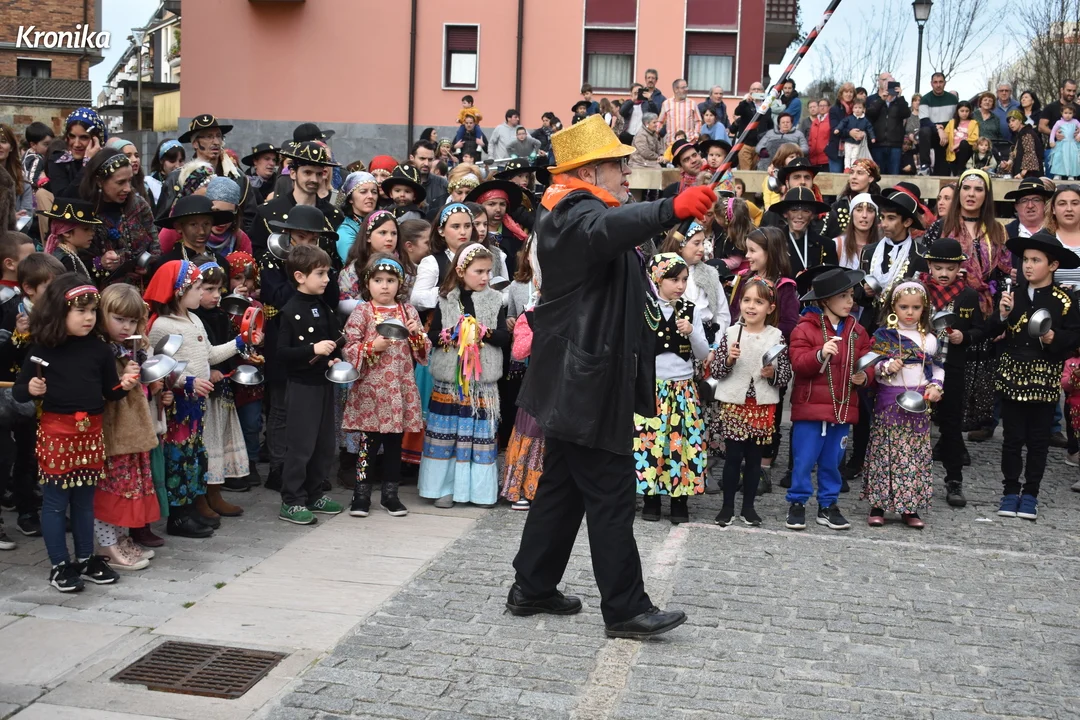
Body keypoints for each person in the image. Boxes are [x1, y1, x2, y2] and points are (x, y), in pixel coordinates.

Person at [509, 115, 713, 638]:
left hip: (581, 377)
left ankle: (532, 587)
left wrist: (666, 213)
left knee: (562, 490)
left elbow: (614, 234)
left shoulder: (571, 208)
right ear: (588, 171)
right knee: (612, 493)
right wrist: (670, 207)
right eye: (617, 164)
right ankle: (625, 608)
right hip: (587, 382)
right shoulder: (575, 212)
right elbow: (605, 232)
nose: (626, 172)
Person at [12, 275, 132, 591]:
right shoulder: (42, 349)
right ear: (59, 311)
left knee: (84, 501)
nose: (89, 317)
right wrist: (32, 388)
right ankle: (59, 565)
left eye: (92, 311)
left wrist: (126, 384)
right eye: (81, 311)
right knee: (54, 502)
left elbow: (111, 393)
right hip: (57, 434)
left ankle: (85, 559)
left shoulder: (100, 350)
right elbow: (20, 392)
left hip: (91, 434)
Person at [991, 232, 1080, 521]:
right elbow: (993, 330)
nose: (1028, 266)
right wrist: (1002, 316)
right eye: (1026, 260)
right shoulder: (1012, 295)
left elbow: (1075, 335)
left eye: (1036, 260)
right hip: (1012, 375)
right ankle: (1009, 490)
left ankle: (1030, 494)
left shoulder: (1064, 300)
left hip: (1044, 378)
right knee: (1012, 438)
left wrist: (1055, 338)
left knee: (1039, 439)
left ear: (1053, 265)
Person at [418, 243, 508, 508]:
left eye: (488, 271)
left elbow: (504, 337)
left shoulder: (495, 300)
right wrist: (450, 334)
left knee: (478, 437)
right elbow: (433, 336)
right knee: (446, 435)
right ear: (461, 271)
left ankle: (478, 492)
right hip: (450, 380)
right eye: (479, 271)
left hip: (482, 382)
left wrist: (483, 332)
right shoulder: (445, 299)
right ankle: (444, 489)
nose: (485, 277)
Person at [258, 205, 340, 492]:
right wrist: (301, 274)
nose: (307, 242)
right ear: (288, 234)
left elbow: (331, 296)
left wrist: (320, 272)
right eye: (301, 236)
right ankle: (279, 467)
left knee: (316, 414)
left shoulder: (322, 262)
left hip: (317, 333)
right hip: (283, 332)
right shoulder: (272, 259)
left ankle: (313, 473)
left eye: (313, 238)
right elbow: (277, 296)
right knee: (281, 406)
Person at [342, 253, 429, 517]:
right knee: (368, 444)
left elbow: (423, 350)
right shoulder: (363, 312)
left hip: (399, 389)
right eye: (378, 280)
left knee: (394, 444)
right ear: (368, 283)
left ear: (399, 284)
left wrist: (416, 334)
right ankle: (361, 495)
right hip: (371, 390)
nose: (384, 286)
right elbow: (349, 347)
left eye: (390, 280)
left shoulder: (407, 311)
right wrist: (371, 347)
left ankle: (390, 495)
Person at [786, 266, 872, 531]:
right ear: (825, 301)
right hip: (810, 409)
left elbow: (867, 359)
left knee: (833, 461)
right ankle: (797, 502)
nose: (850, 301)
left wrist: (865, 376)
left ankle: (828, 505)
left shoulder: (857, 331)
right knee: (803, 460)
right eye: (843, 296)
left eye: (851, 295)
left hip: (842, 407)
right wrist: (820, 354)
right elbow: (798, 362)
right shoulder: (805, 328)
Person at [633, 253, 710, 523]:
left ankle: (680, 500)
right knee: (651, 444)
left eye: (684, 280)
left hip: (682, 389)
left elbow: (702, 353)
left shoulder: (690, 310)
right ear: (657, 279)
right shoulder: (645, 308)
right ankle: (651, 498)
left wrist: (692, 332)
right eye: (673, 279)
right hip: (652, 389)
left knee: (681, 445)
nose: (680, 285)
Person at [273, 244, 345, 525]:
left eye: (327, 273)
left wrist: (334, 359)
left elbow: (334, 340)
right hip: (302, 386)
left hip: (323, 383)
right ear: (300, 277)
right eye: (320, 273)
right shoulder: (289, 311)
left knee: (324, 444)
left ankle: (315, 493)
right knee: (300, 445)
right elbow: (281, 353)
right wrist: (312, 350)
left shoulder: (322, 305)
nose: (327, 279)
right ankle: (291, 500)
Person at [711, 275, 791, 527]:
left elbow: (785, 374)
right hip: (735, 404)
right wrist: (729, 359)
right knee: (733, 457)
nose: (751, 306)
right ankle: (727, 506)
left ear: (770, 308)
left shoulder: (776, 336)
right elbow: (717, 371)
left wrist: (772, 373)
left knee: (755, 459)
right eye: (746, 300)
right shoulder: (731, 333)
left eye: (758, 302)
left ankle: (748, 507)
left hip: (761, 407)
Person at [864, 280, 942, 529]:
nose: (909, 312)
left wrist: (936, 386)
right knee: (884, 453)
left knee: (913, 456)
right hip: (889, 403)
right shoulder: (883, 336)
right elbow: (872, 367)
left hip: (919, 403)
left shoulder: (929, 339)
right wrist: (887, 366)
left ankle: (910, 507)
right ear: (893, 308)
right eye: (904, 307)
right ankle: (878, 505)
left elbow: (937, 368)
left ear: (924, 309)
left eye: (916, 307)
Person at [95, 283, 161, 570]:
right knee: (111, 490)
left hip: (131, 429)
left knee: (129, 488)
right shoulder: (101, 350)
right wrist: (123, 379)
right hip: (113, 429)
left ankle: (121, 539)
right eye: (119, 318)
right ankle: (106, 544)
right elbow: (103, 390)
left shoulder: (128, 349)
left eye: (132, 320)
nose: (126, 326)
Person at [919, 238, 983, 507]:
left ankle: (954, 480)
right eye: (938, 268)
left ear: (960, 268)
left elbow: (979, 329)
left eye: (950, 268)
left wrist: (964, 337)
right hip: (919, 368)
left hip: (951, 369)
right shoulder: (919, 291)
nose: (944, 273)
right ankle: (912, 477)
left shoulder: (968, 295)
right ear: (929, 266)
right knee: (916, 423)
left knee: (951, 426)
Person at [190, 259, 249, 505]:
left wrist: (244, 353)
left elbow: (226, 346)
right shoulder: (193, 319)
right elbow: (200, 353)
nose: (216, 295)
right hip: (203, 392)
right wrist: (211, 369)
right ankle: (202, 497)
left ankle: (216, 493)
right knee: (208, 442)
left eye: (219, 289)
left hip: (222, 389)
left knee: (221, 439)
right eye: (208, 289)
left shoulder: (221, 316)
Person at [156, 114, 257, 230]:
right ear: (195, 143)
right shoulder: (177, 178)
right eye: (209, 137)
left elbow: (250, 219)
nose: (216, 142)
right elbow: (163, 222)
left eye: (219, 136)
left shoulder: (237, 177)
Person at [247, 141, 343, 261]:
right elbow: (255, 254)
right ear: (293, 173)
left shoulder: (334, 215)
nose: (314, 179)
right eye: (307, 172)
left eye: (319, 174)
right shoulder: (267, 212)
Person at [78, 149, 159, 287]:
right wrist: (100, 263)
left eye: (129, 181)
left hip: (141, 290)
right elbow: (77, 261)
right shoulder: (85, 214)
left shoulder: (139, 206)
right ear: (100, 182)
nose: (128, 188)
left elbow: (156, 247)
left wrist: (147, 267)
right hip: (102, 293)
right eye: (121, 182)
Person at [769, 186, 837, 275]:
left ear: (812, 215)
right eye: (794, 210)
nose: (799, 216)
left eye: (806, 211)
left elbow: (832, 278)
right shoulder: (774, 244)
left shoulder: (827, 245)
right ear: (785, 213)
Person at [45, 107, 107, 199]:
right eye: (72, 136)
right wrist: (87, 164)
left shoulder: (106, 161)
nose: (76, 144)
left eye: (84, 137)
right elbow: (65, 199)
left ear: (96, 139)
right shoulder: (58, 161)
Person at [42, 197, 101, 282]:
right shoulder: (67, 260)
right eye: (86, 229)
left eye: (92, 229)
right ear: (66, 232)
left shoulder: (68, 255)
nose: (92, 233)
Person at [865, 71, 910, 175]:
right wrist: (881, 100)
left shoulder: (899, 101)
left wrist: (899, 97)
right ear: (879, 82)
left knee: (894, 175)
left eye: (890, 81)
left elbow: (906, 113)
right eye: (884, 80)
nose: (887, 83)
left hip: (895, 145)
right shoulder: (872, 99)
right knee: (877, 175)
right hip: (877, 144)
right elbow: (870, 114)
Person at [916, 73, 958, 176]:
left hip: (946, 136)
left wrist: (945, 131)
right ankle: (925, 165)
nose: (938, 85)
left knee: (942, 172)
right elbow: (924, 120)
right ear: (931, 84)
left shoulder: (953, 99)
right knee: (924, 131)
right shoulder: (925, 99)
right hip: (931, 135)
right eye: (935, 82)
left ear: (945, 83)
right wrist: (938, 129)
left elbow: (956, 119)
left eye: (940, 82)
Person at [335, 172, 381, 261]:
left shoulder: (382, 221)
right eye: (363, 192)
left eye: (374, 192)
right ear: (350, 199)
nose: (370, 196)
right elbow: (354, 263)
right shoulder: (346, 230)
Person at [732, 82, 774, 170]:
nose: (756, 91)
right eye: (754, 89)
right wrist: (745, 101)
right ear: (750, 91)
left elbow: (769, 125)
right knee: (745, 171)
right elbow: (737, 112)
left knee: (756, 170)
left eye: (759, 89)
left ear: (763, 92)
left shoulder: (767, 107)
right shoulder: (746, 104)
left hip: (760, 144)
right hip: (745, 143)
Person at [1001, 111, 1044, 179]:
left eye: (1013, 120)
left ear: (1020, 120)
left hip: (1030, 176)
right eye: (1009, 122)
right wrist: (1008, 163)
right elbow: (1016, 153)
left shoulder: (1027, 134)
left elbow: (1030, 154)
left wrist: (1022, 174)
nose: (1011, 124)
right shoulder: (1020, 134)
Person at [658, 78, 702, 144]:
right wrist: (657, 133)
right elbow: (660, 122)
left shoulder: (692, 103)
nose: (686, 89)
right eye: (683, 88)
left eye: (686, 87)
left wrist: (695, 136)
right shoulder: (666, 103)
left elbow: (698, 121)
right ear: (676, 89)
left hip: (688, 142)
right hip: (671, 143)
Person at [834, 99, 875, 170]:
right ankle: (847, 168)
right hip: (848, 141)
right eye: (855, 108)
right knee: (847, 155)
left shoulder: (865, 120)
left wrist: (872, 137)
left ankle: (853, 168)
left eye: (860, 108)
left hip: (857, 142)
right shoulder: (849, 118)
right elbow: (842, 123)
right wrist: (838, 129)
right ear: (852, 109)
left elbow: (870, 129)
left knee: (855, 156)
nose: (857, 110)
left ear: (863, 109)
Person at [826, 83, 856, 173]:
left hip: (854, 149)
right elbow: (835, 129)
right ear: (841, 94)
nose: (848, 94)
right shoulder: (834, 109)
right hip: (837, 150)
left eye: (851, 92)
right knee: (836, 178)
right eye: (846, 92)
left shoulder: (857, 108)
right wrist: (849, 133)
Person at [943, 102, 979, 176]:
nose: (964, 113)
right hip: (953, 152)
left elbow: (975, 137)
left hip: (967, 151)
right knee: (956, 175)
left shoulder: (973, 123)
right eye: (962, 111)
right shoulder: (952, 122)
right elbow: (946, 135)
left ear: (970, 112)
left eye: (967, 111)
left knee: (963, 143)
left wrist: (958, 145)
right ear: (957, 111)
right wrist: (940, 129)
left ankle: (962, 170)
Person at [1049, 104, 1080, 180]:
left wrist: (1079, 135)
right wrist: (1052, 140)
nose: (1068, 115)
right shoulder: (1059, 122)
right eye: (1065, 113)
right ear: (1062, 113)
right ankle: (1057, 174)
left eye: (1070, 113)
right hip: (1061, 144)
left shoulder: (1076, 122)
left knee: (1072, 159)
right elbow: (1053, 132)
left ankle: (1071, 174)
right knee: (1059, 158)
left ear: (1073, 114)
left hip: (1072, 144)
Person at [806, 100, 831, 171]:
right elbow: (810, 139)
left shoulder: (831, 120)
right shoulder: (815, 122)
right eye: (820, 106)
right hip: (814, 158)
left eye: (824, 106)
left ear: (829, 107)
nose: (822, 108)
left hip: (826, 158)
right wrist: (810, 150)